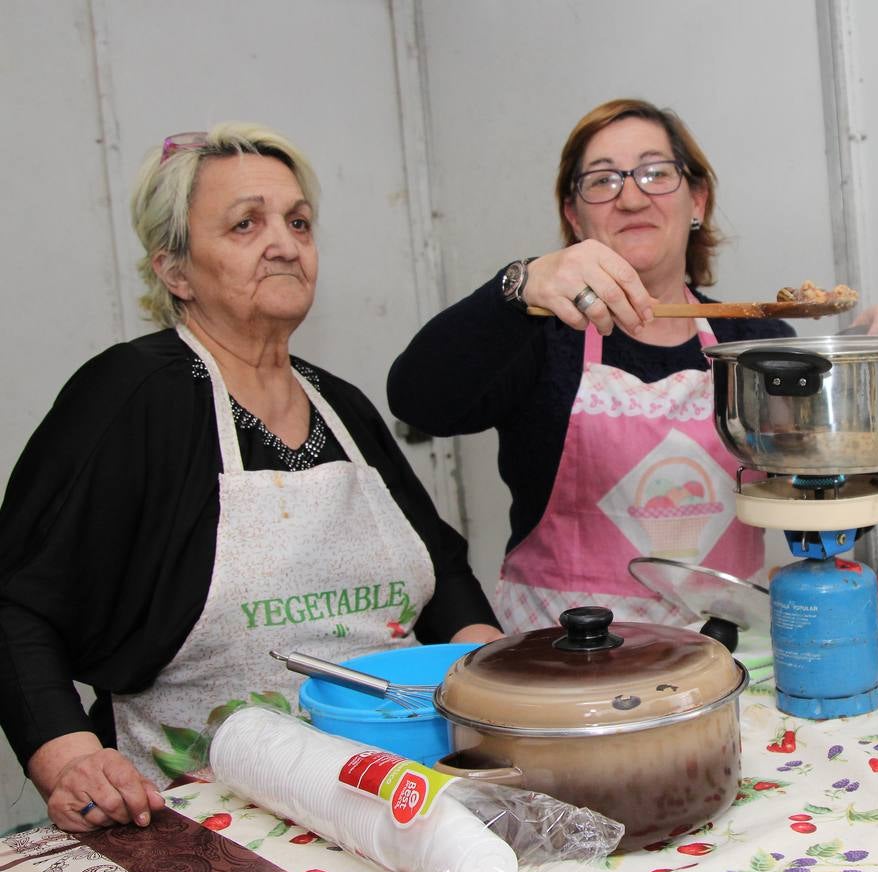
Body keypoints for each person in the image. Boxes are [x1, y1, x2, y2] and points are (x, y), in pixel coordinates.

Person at [0, 123, 502, 833]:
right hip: (201, 815)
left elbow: (441, 572)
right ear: (175, 271)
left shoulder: (341, 404)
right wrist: (68, 756)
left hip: (391, 801)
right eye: (246, 224)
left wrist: (494, 675)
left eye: (298, 222)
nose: (285, 243)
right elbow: (17, 602)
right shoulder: (132, 395)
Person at [387, 97, 878, 634]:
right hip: (565, 664)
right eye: (602, 180)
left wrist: (861, 401)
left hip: (730, 656)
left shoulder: (757, 343)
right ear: (574, 217)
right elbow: (418, 400)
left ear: (698, 200)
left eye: (654, 173)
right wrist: (517, 286)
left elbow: (829, 514)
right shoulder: (539, 338)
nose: (630, 196)